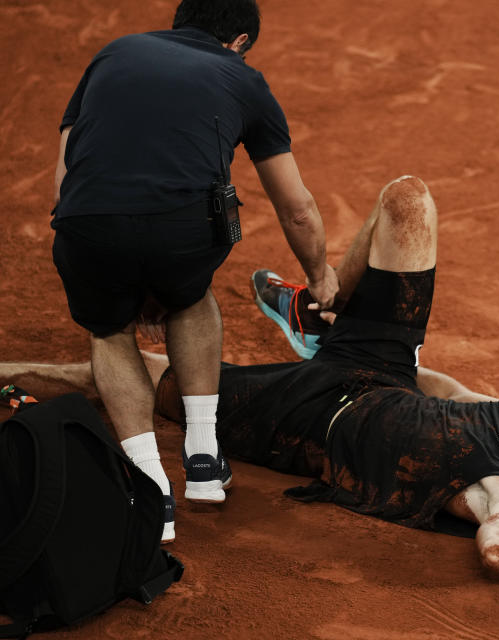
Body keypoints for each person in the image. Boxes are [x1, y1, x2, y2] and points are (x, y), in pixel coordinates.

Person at [10, 176, 499, 570]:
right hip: (380, 367)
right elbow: (453, 394)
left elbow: (498, 555)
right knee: (409, 199)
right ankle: (313, 312)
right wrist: (377, 335)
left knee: (140, 374)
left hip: (305, 420)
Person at [50, 0, 339, 543]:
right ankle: (203, 458)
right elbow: (296, 208)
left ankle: (149, 488)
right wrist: (320, 274)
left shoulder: (112, 53)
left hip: (87, 223)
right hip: (181, 232)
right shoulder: (244, 79)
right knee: (191, 296)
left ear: (181, 23)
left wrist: (112, 263)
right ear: (241, 42)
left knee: (109, 331)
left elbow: (65, 176)